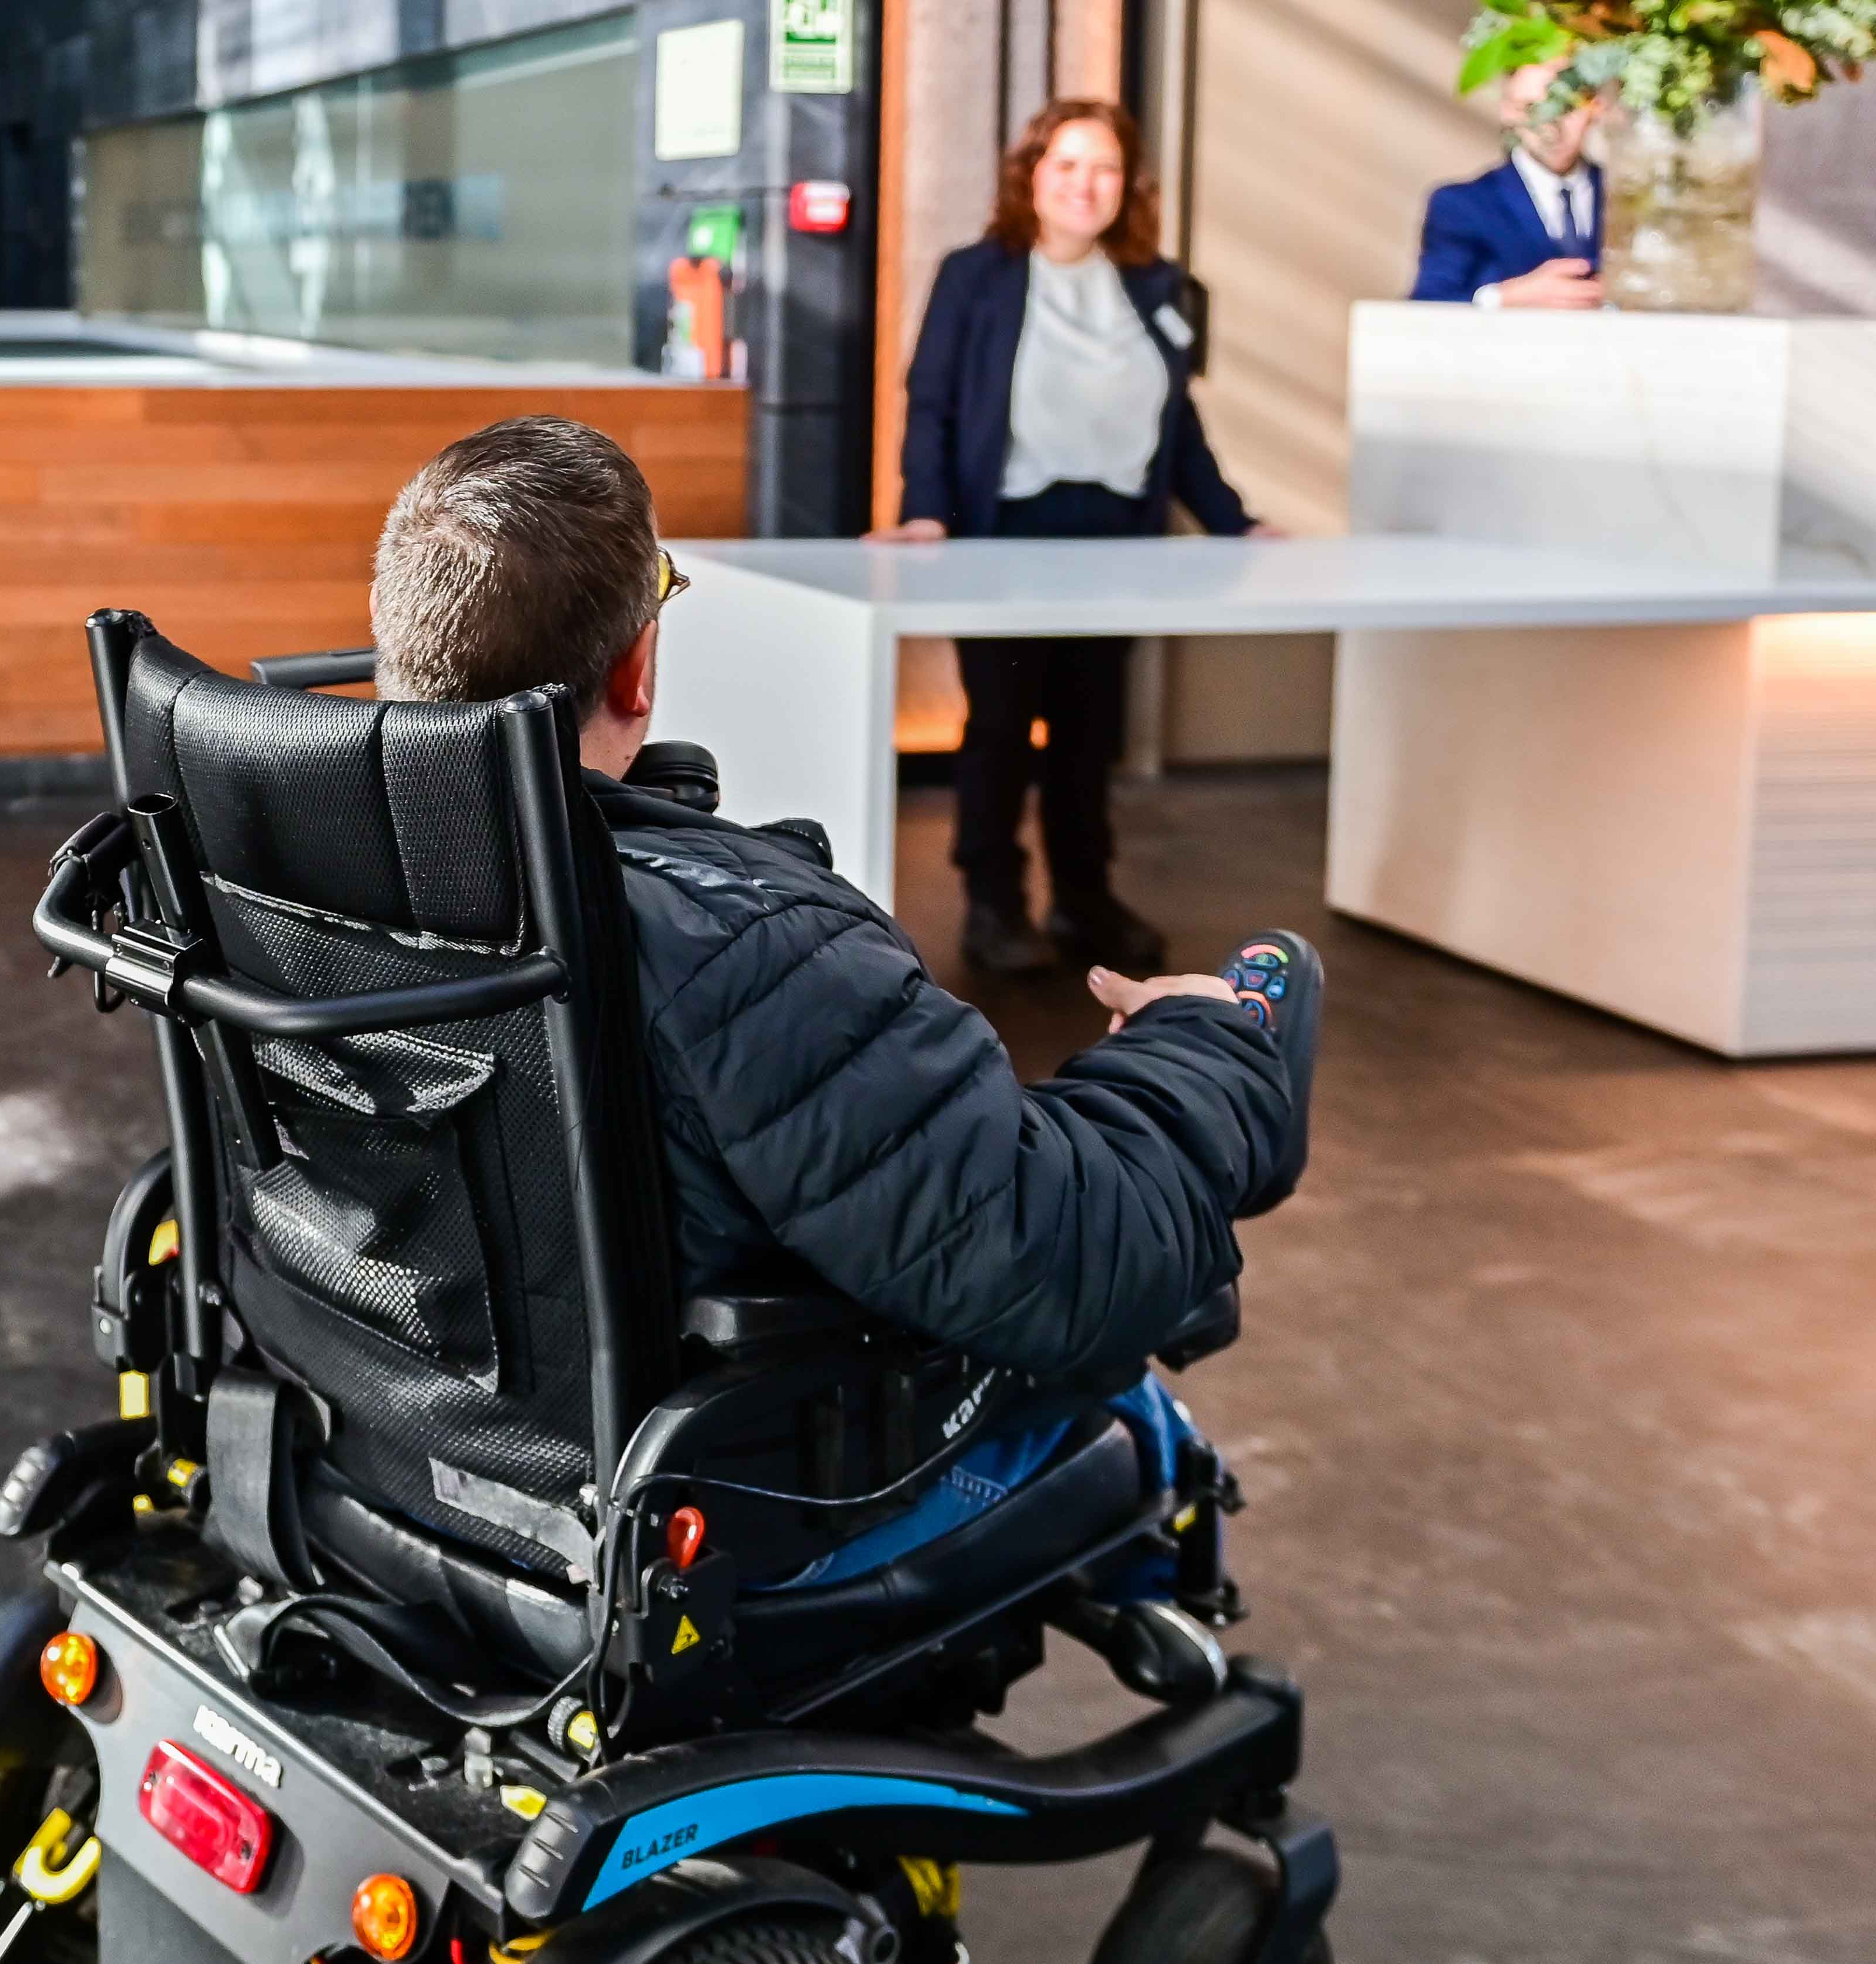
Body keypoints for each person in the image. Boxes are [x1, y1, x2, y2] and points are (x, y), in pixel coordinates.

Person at [371, 415, 1314, 1395]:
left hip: (382, 1441)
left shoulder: (286, 866)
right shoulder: (747, 953)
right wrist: (1195, 1046)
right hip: (727, 1473)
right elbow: (1072, 1266)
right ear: (635, 669)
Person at [877, 99, 1263, 981]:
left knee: (1092, 732)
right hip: (1008, 528)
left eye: (1104, 170)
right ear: (1032, 177)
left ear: (1126, 188)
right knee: (1004, 725)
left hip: (1118, 535)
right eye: (1067, 166)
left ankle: (1085, 898)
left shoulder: (1154, 283)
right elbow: (930, 399)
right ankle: (992, 900)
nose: (1085, 186)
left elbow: (1181, 425)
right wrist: (928, 509)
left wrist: (1234, 518)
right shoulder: (977, 274)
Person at [1411, 62, 1608, 308]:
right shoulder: (1463, 205)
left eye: (1566, 107)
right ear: (1508, 111)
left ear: (1596, 107)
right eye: (1532, 108)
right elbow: (1427, 304)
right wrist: (1506, 298)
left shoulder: (1630, 199)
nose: (1550, 127)